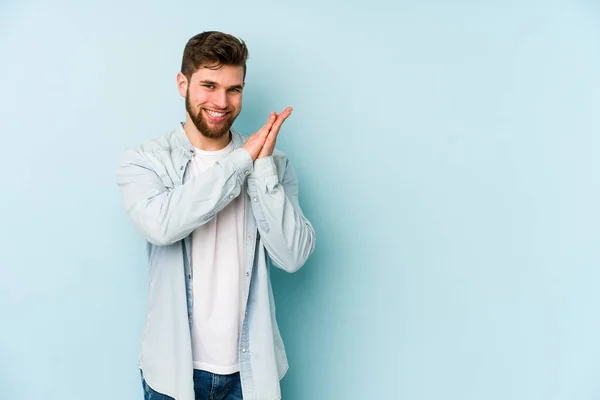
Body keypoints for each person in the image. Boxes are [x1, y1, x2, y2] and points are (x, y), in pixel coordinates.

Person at [115, 31, 316, 400]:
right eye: (209, 85)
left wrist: (263, 167)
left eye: (234, 89)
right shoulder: (144, 160)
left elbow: (293, 257)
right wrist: (241, 162)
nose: (221, 101)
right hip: (172, 374)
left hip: (251, 374)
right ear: (182, 83)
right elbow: (162, 226)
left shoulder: (273, 164)